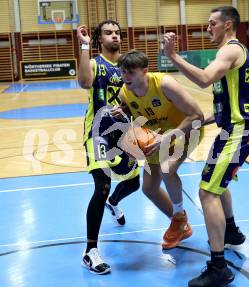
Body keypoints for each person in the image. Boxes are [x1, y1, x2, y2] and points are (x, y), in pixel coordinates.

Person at [164, 6, 249, 286]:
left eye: (212, 24)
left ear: (228, 25)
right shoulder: (230, 53)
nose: (208, 28)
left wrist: (172, 56)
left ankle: (219, 267)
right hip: (232, 129)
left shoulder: (230, 50)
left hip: (240, 132)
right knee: (216, 186)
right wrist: (201, 121)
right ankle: (230, 231)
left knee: (207, 192)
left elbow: (205, 79)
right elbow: (228, 104)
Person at [111, 50, 204, 250]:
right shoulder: (124, 93)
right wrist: (124, 111)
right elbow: (135, 110)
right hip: (158, 139)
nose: (125, 76)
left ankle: (179, 216)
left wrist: (167, 137)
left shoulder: (165, 84)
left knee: (167, 168)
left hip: (185, 131)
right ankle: (182, 225)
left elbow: (197, 115)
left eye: (131, 72)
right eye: (123, 72)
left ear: (145, 71)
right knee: (149, 188)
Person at [77, 20, 140, 275]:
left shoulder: (128, 66)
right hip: (98, 133)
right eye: (108, 33)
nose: (114, 36)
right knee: (102, 186)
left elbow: (138, 97)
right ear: (99, 39)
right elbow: (83, 82)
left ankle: (114, 202)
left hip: (124, 133)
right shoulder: (95, 63)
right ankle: (90, 251)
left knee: (134, 183)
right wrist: (83, 47)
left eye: (117, 32)